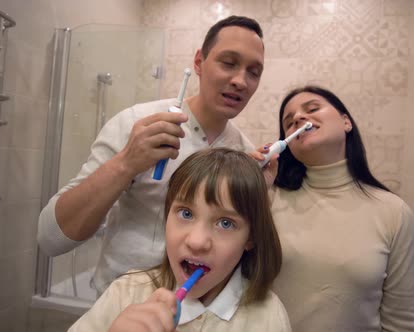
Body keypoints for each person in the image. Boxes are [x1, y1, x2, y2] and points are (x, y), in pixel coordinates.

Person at [38, 16, 266, 292]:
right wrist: (126, 163)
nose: (241, 81)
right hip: (121, 305)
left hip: (195, 312)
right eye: (228, 63)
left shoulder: (243, 153)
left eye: (253, 72)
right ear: (198, 62)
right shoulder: (137, 123)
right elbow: (51, 238)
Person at [254, 85, 414, 331]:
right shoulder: (268, 200)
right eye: (289, 123)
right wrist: (248, 186)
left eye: (312, 109)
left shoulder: (394, 213)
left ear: (346, 122)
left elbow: (404, 323)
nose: (299, 118)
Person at [68, 148, 290, 332]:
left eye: (225, 223)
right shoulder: (126, 292)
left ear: (250, 238)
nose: (196, 241)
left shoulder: (268, 316)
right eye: (186, 213)